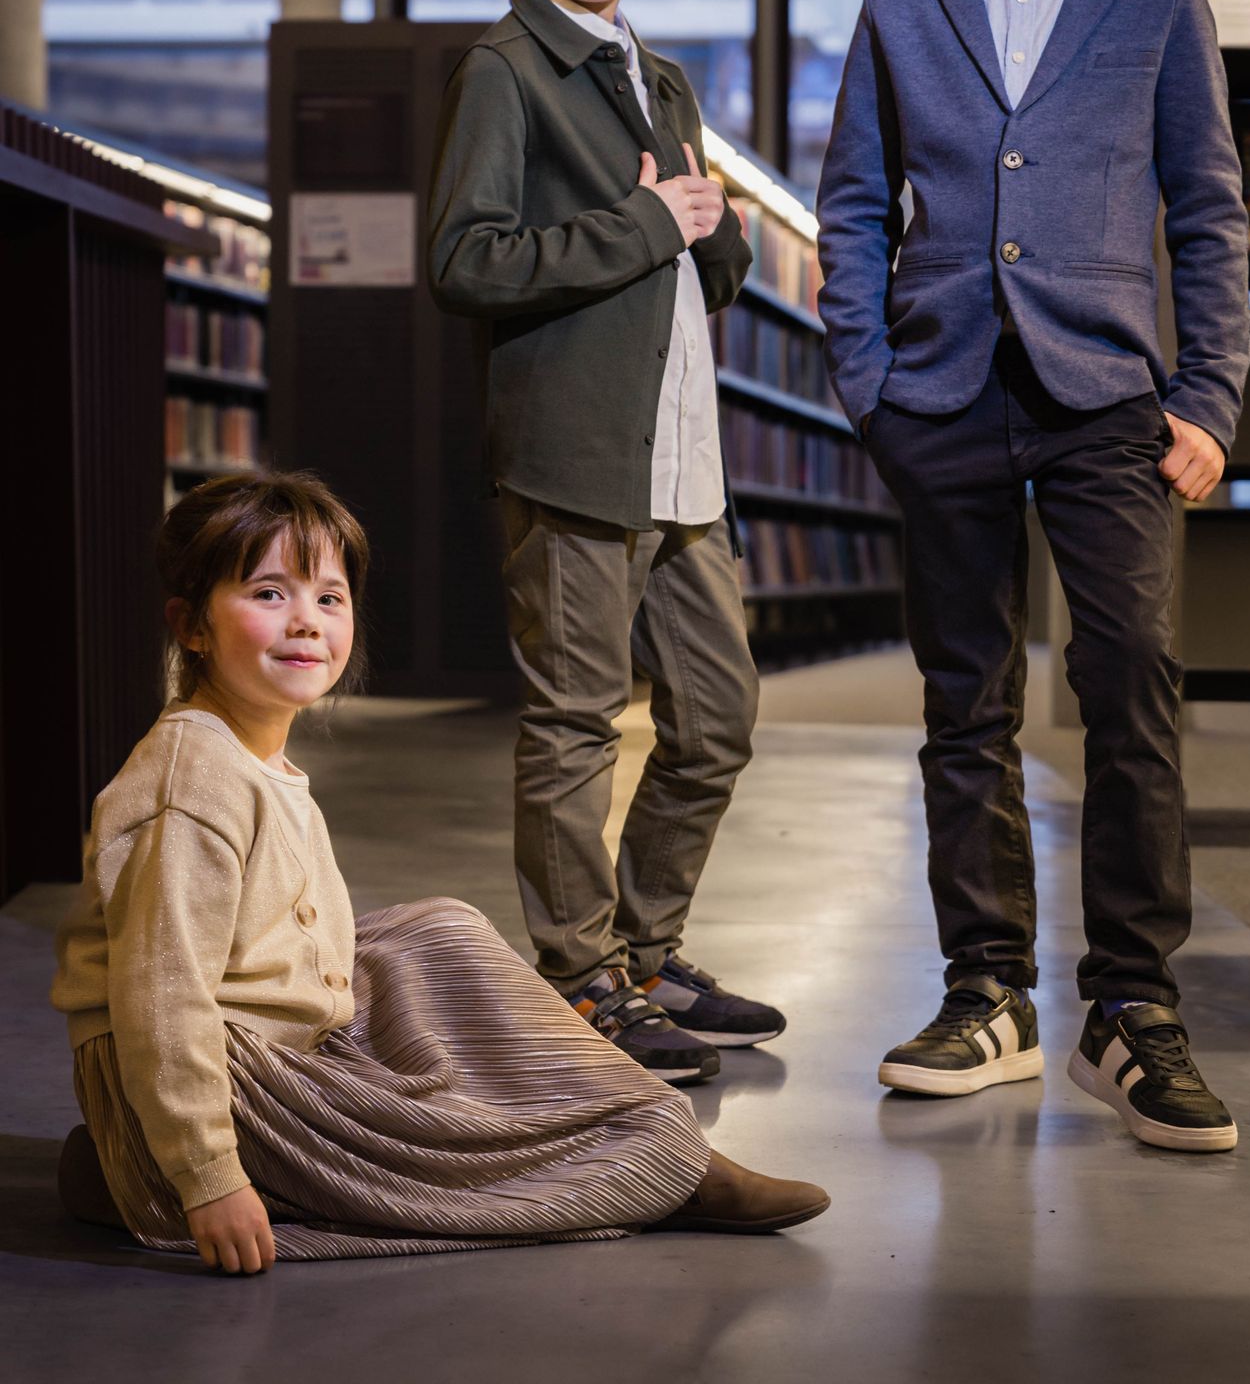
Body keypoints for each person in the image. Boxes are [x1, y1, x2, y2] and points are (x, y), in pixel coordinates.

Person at [816, 0, 1250, 1153]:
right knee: (967, 706)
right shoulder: (894, 3)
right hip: (938, 396)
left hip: (1111, 402)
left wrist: (1207, 396)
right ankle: (985, 989)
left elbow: (1208, 208)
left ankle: (1132, 1007)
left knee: (1132, 693)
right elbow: (856, 208)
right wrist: (868, 387)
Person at [50, 472, 829, 1272]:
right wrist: (206, 1178)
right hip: (231, 1083)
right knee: (457, 1156)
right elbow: (161, 997)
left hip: (269, 1043)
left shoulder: (248, 749)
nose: (305, 624)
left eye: (328, 598)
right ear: (193, 627)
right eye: (268, 593)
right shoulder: (193, 782)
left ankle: (653, 1138)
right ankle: (653, 1172)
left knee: (438, 932)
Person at [427, 0, 783, 1086]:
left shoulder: (664, 74)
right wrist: (649, 225)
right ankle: (579, 980)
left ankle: (647, 949)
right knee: (577, 723)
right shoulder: (506, 71)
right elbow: (465, 259)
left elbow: (713, 261)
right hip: (575, 454)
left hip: (682, 453)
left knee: (717, 718)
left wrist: (712, 227)